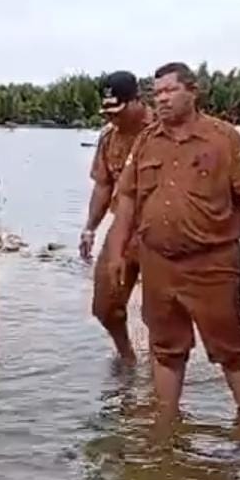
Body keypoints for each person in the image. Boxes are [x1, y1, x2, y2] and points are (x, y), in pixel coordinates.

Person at [107, 62, 240, 436]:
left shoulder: (224, 138)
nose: (163, 99)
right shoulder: (146, 141)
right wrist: (116, 252)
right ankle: (166, 426)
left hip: (213, 262)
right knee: (166, 346)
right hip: (158, 262)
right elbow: (125, 197)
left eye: (171, 91)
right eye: (157, 93)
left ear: (193, 91)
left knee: (230, 345)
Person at [80, 71, 153, 363]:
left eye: (119, 111)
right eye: (108, 112)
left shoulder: (164, 131)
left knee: (163, 311)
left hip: (163, 227)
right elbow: (103, 184)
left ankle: (164, 373)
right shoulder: (109, 137)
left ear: (138, 101)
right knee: (105, 305)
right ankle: (128, 360)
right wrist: (89, 229)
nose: (113, 119)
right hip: (123, 227)